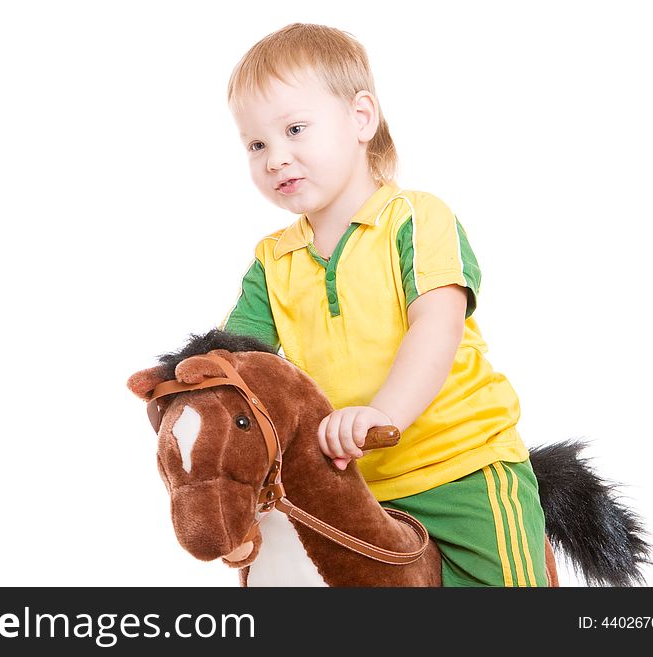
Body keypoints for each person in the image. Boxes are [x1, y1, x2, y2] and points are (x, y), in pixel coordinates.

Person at [218, 23, 547, 586]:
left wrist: (383, 414)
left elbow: (436, 324)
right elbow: (237, 366)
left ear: (361, 118)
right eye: (257, 144)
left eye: (295, 129)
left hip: (459, 464)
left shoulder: (416, 219)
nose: (276, 158)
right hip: (348, 481)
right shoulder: (273, 261)